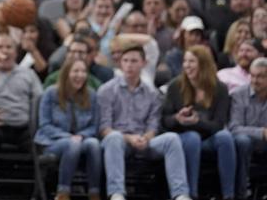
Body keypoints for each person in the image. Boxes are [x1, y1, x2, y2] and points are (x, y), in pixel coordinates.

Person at [97, 46, 191, 200]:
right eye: (125, 61)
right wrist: (129, 138)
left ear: (144, 63)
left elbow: (153, 125)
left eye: (134, 61)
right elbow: (104, 128)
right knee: (113, 137)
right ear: (120, 64)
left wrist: (145, 138)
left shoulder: (152, 93)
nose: (129, 65)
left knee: (172, 139)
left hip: (144, 141)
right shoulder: (106, 90)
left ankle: (180, 194)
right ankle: (117, 193)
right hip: (119, 141)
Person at [161, 45, 235, 200]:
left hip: (208, 137)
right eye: (185, 61)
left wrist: (197, 122)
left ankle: (229, 194)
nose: (187, 65)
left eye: (192, 61)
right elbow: (165, 121)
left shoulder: (219, 88)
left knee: (225, 137)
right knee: (192, 137)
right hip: (183, 137)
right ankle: (191, 194)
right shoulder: (175, 86)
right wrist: (177, 118)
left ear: (203, 64)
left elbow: (218, 125)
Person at [35, 59, 101, 200]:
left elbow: (94, 127)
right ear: (66, 74)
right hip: (52, 142)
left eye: (83, 71)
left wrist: (81, 135)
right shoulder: (50, 93)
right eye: (76, 71)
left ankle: (94, 192)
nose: (80, 75)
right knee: (73, 144)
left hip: (81, 140)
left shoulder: (92, 95)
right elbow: (44, 125)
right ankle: (63, 193)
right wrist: (67, 136)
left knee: (94, 144)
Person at [229, 57, 267, 200]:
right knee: (243, 141)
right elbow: (234, 128)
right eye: (253, 76)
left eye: (261, 77)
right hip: (245, 142)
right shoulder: (238, 94)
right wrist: (262, 132)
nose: (255, 80)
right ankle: (242, 192)